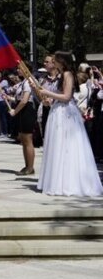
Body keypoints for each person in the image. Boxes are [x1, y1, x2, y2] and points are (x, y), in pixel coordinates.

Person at [33, 51, 103, 196]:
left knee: (66, 146)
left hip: (65, 113)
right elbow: (59, 96)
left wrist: (47, 92)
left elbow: (66, 96)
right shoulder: (61, 75)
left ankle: (68, 182)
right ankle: (58, 180)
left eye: (55, 60)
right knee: (58, 146)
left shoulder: (68, 74)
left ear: (61, 61)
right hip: (58, 110)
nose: (53, 62)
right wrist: (47, 97)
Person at [9, 70, 36, 176]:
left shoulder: (29, 81)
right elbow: (19, 98)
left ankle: (30, 167)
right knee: (23, 140)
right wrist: (8, 98)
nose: (18, 70)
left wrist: (15, 111)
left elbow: (25, 100)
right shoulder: (22, 82)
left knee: (27, 139)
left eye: (20, 68)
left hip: (27, 110)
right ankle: (27, 165)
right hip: (22, 111)